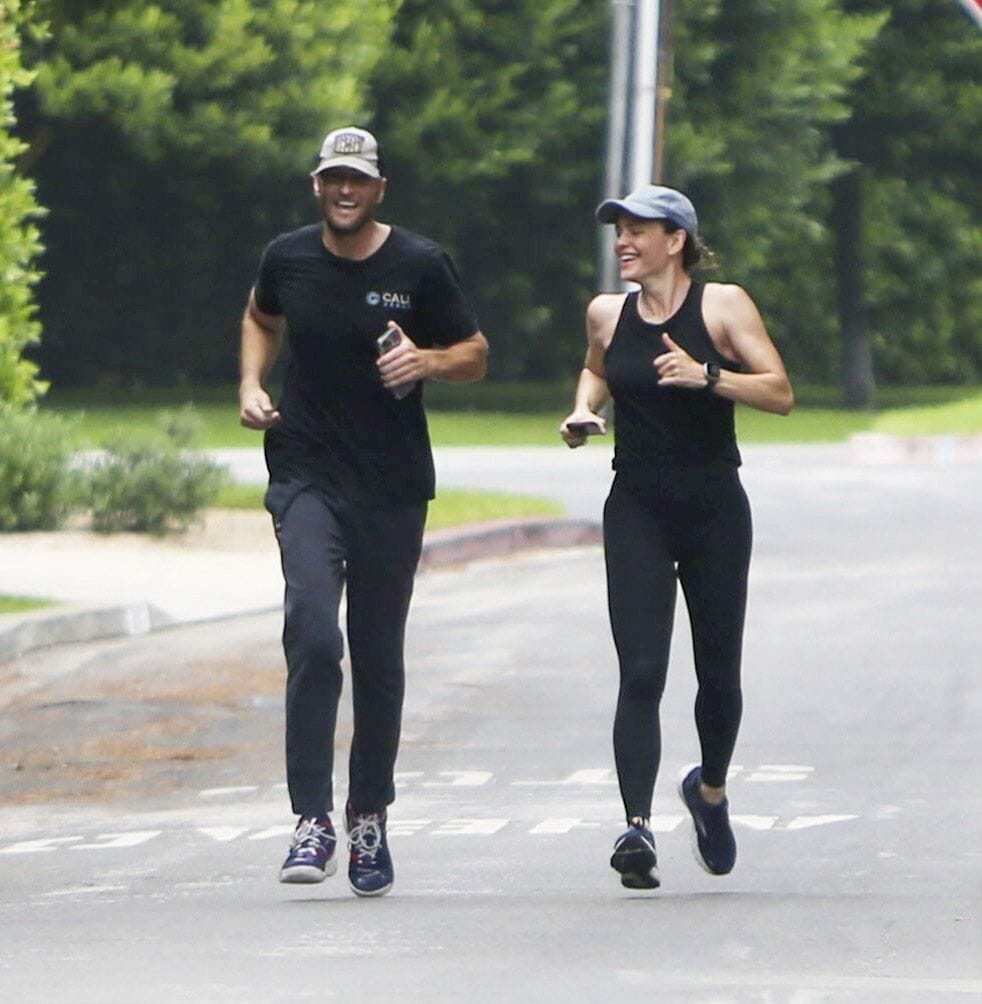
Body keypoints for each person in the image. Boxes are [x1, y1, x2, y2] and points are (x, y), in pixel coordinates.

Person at [239, 126, 488, 897]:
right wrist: (252, 385)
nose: (344, 190)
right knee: (314, 634)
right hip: (306, 473)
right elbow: (261, 316)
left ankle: (368, 818)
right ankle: (311, 819)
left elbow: (476, 353)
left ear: (379, 189)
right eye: (331, 178)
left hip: (391, 485)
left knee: (378, 658)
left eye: (358, 180)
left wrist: (429, 360)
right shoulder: (288, 257)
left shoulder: (418, 264)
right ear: (317, 186)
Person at [560, 184, 793, 890]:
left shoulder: (723, 305)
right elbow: (598, 367)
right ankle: (636, 827)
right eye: (619, 231)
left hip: (715, 506)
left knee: (717, 673)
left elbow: (780, 391)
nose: (624, 242)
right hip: (635, 504)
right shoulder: (608, 312)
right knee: (640, 671)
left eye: (638, 230)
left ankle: (710, 790)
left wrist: (707, 376)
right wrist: (582, 411)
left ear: (677, 240)